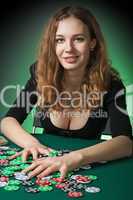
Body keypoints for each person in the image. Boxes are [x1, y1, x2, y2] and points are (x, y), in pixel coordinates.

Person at [0, 6, 132, 179]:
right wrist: (31, 144)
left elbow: (125, 143)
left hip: (88, 167)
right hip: (43, 165)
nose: (68, 48)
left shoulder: (111, 84)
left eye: (78, 39)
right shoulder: (41, 74)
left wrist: (75, 158)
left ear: (92, 43)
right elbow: (8, 121)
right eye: (60, 40)